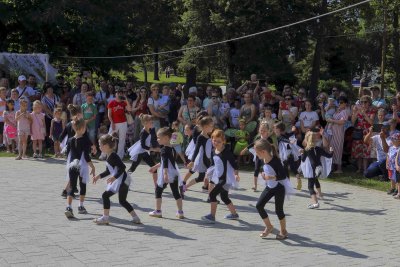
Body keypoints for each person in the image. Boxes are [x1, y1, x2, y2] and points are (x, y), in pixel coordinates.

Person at [92, 133, 141, 225]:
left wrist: (114, 177)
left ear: (106, 146)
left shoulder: (113, 156)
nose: (99, 147)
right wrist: (98, 176)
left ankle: (105, 218)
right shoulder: (109, 155)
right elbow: (108, 171)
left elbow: (122, 167)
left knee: (105, 196)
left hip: (121, 181)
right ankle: (136, 218)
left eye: (100, 145)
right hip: (121, 180)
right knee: (122, 201)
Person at [254, 138, 294, 239]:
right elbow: (262, 169)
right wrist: (262, 174)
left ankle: (283, 231)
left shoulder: (276, 161)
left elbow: (283, 176)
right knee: (259, 205)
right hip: (269, 187)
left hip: (279, 188)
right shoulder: (262, 159)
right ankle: (269, 226)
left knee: (278, 210)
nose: (256, 155)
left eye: (257, 153)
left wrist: (271, 177)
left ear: (263, 152)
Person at [201, 130, 240, 223]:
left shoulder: (226, 152)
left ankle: (212, 216)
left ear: (223, 141)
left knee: (212, 194)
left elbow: (234, 164)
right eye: (214, 140)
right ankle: (234, 214)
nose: (216, 143)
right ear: (212, 140)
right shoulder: (213, 151)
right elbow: (212, 164)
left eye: (219, 141)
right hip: (219, 177)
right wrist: (207, 174)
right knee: (224, 197)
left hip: (225, 179)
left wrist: (236, 174)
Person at [148, 127, 184, 219]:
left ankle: (158, 211)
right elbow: (165, 161)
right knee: (176, 192)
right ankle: (180, 212)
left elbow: (165, 165)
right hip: (174, 172)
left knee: (158, 190)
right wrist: (155, 167)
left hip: (167, 173)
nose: (157, 139)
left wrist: (165, 174)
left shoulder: (164, 149)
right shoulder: (172, 148)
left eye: (159, 138)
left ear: (166, 138)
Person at [64, 118, 95, 218]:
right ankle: (81, 206)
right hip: (82, 166)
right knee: (83, 185)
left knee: (72, 186)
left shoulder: (70, 140)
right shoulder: (85, 140)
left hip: (72, 165)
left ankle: (68, 207)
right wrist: (92, 166)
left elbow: (67, 154)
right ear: (82, 128)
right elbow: (86, 156)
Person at [299, 132, 333, 209]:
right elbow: (329, 155)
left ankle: (315, 203)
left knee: (310, 187)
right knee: (315, 180)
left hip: (312, 169)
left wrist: (301, 153)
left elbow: (303, 159)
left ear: (307, 140)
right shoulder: (319, 149)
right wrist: (331, 150)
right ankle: (320, 194)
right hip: (319, 168)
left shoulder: (306, 149)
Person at [127, 114, 159, 186]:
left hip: (144, 152)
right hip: (139, 152)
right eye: (151, 122)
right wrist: (153, 149)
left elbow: (153, 139)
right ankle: (124, 182)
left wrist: (156, 147)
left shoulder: (151, 129)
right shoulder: (143, 132)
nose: (152, 123)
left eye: (152, 122)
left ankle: (156, 185)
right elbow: (143, 146)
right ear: (145, 123)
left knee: (154, 167)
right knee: (132, 168)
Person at [241, 122, 271, 192]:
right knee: (256, 169)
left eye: (264, 130)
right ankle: (255, 185)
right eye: (261, 130)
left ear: (267, 131)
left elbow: (272, 148)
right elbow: (252, 144)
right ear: (259, 130)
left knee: (266, 171)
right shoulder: (258, 138)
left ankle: (267, 185)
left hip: (266, 158)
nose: (262, 132)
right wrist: (244, 150)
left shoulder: (269, 140)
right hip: (258, 156)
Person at [186, 116, 214, 190]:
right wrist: (192, 161)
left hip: (207, 159)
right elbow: (196, 150)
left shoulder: (208, 135)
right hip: (202, 160)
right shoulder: (200, 137)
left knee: (206, 176)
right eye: (211, 125)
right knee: (204, 177)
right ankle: (184, 187)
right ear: (205, 126)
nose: (212, 127)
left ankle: (208, 190)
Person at [351, 95, 376, 173]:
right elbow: (352, 121)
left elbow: (371, 122)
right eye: (361, 102)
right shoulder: (358, 110)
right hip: (359, 132)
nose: (363, 103)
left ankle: (365, 169)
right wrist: (355, 112)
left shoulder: (372, 111)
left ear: (369, 103)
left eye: (365, 102)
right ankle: (359, 168)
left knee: (366, 151)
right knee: (358, 151)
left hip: (367, 132)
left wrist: (364, 114)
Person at [325, 96, 348, 173]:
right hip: (332, 132)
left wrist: (332, 120)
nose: (339, 104)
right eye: (338, 102)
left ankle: (339, 168)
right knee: (331, 148)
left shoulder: (344, 112)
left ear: (345, 104)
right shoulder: (337, 111)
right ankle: (331, 167)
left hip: (339, 133)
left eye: (341, 102)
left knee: (338, 148)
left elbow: (342, 122)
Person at [107, 87, 131, 159]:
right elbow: (109, 114)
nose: (119, 94)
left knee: (122, 139)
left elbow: (129, 109)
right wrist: (112, 122)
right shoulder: (111, 102)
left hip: (123, 123)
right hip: (114, 122)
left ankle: (120, 155)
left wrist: (125, 99)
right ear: (115, 94)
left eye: (121, 93)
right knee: (109, 137)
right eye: (118, 93)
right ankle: (105, 153)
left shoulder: (124, 103)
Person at [387, 133, 400, 198]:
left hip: (396, 166)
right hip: (390, 165)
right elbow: (388, 156)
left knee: (397, 178)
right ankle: (392, 188)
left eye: (394, 139)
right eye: (391, 138)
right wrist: (387, 163)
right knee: (391, 177)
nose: (392, 140)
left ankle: (397, 190)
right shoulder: (391, 147)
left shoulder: (399, 148)